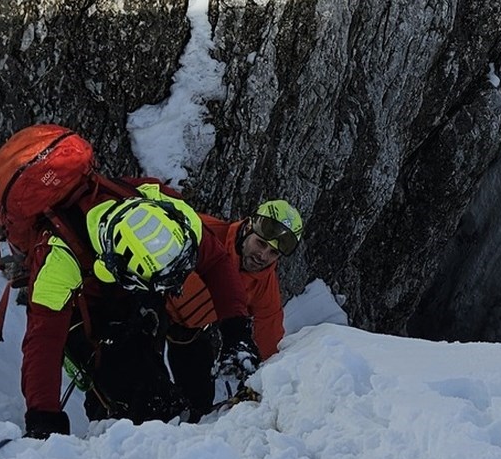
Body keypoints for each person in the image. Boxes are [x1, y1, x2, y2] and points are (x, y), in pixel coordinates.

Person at [21, 183, 259, 439]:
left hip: (134, 297)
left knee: (147, 356)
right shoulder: (57, 262)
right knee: (116, 367)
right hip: (84, 309)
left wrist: (237, 332)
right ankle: (114, 429)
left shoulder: (170, 211)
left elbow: (215, 261)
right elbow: (43, 341)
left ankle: (161, 413)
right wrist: (44, 416)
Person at [166, 199, 304, 420]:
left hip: (188, 332)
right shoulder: (205, 231)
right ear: (248, 227)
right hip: (147, 308)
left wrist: (260, 383)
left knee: (198, 403)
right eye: (260, 244)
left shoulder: (264, 284)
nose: (263, 256)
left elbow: (268, 337)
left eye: (273, 253)